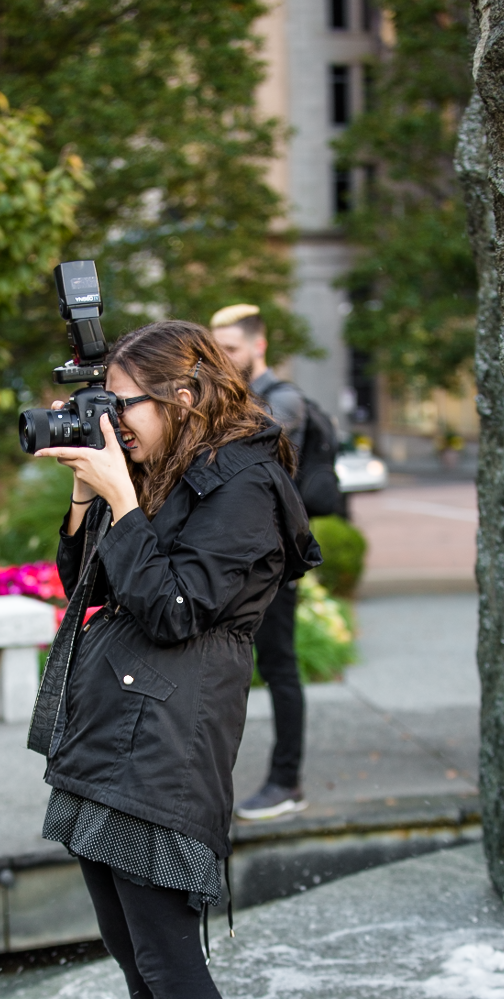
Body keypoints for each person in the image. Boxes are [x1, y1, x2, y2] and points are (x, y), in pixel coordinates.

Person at [31, 319, 319, 999]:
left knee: (169, 957)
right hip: (113, 723)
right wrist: (90, 501)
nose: (116, 420)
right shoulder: (165, 470)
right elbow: (90, 586)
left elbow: (174, 607)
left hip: (168, 736)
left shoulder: (243, 481)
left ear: (186, 394)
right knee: (129, 945)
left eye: (127, 403)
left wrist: (123, 498)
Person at [211, 304, 342, 821]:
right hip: (238, 560)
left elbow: (248, 455)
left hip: (272, 563)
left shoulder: (282, 402)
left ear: (258, 346)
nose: (221, 358)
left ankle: (286, 781)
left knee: (280, 667)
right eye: (215, 349)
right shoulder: (234, 399)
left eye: (232, 349)